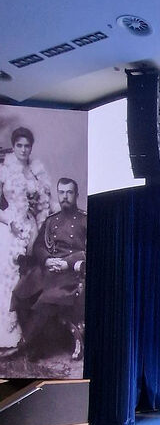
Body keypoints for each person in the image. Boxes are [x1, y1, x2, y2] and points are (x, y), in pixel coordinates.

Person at [11, 177, 84, 361]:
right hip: (49, 268)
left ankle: (26, 344)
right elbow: (38, 246)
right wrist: (47, 260)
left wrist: (68, 263)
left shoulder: (85, 220)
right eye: (61, 192)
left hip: (70, 273)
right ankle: (36, 345)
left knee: (47, 299)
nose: (65, 196)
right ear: (58, 194)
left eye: (69, 192)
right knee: (20, 292)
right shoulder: (52, 220)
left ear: (76, 195)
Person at [0, 127, 54, 352]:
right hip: (10, 226)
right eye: (19, 145)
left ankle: (29, 335)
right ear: (13, 147)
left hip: (32, 227)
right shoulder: (4, 171)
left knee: (30, 278)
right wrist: (10, 222)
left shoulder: (36, 171)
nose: (23, 150)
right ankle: (7, 333)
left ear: (31, 147)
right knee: (9, 276)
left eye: (27, 146)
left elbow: (46, 202)